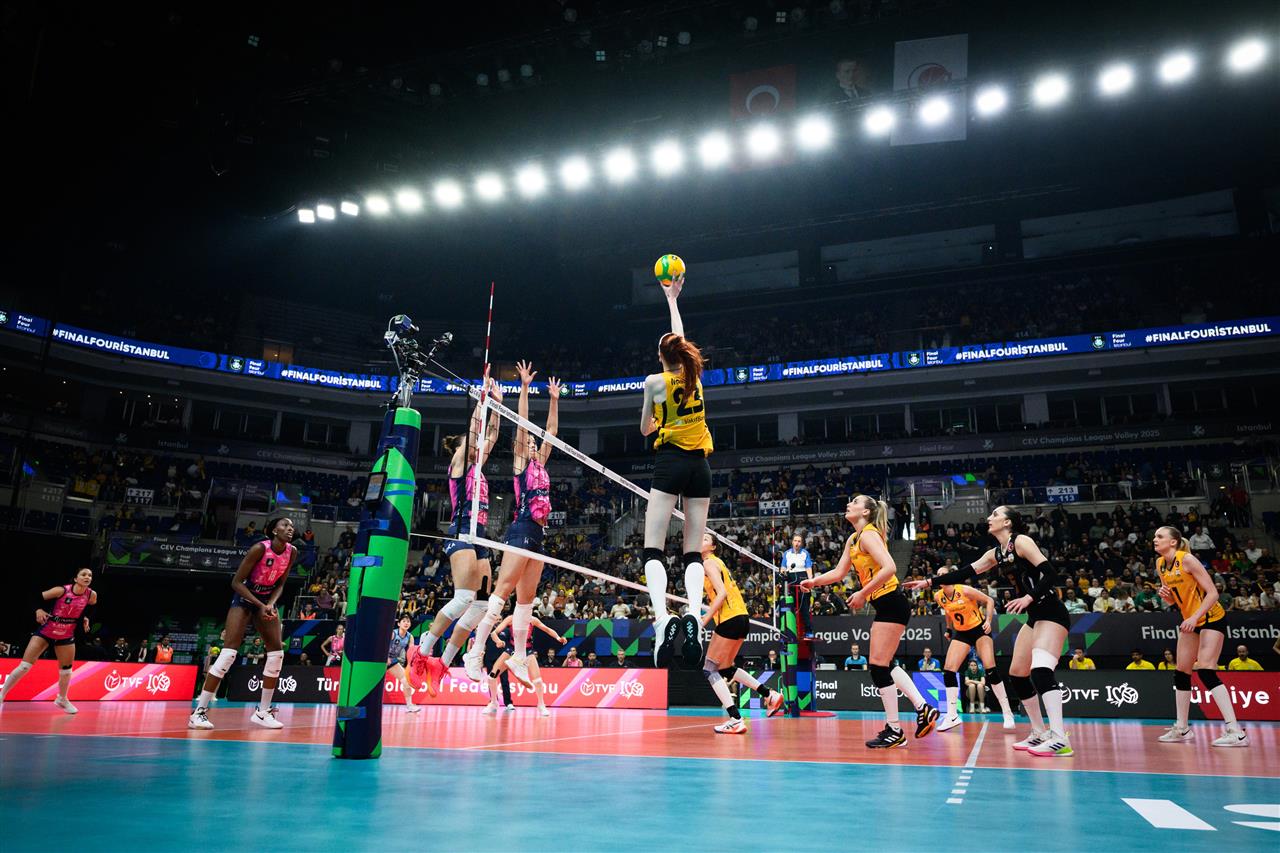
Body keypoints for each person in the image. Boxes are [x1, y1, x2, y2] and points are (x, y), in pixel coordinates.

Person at [906, 506, 1072, 757]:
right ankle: (1039, 732)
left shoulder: (1021, 542)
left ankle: (1059, 738)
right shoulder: (996, 553)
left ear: (1007, 522)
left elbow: (1050, 574)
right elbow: (963, 572)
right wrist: (929, 582)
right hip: (1035, 617)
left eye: (995, 515)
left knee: (1040, 671)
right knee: (1017, 674)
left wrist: (1028, 597)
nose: (989, 518)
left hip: (1051, 613)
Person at [802, 495, 939, 748]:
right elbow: (839, 572)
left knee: (878, 667)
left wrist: (863, 593)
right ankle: (922, 708)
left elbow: (890, 567)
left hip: (891, 602)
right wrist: (814, 582)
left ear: (865, 512)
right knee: (884, 664)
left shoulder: (868, 535)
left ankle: (895, 729)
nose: (848, 504)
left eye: (855, 502)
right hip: (886, 604)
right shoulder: (854, 539)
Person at [464, 362, 562, 693]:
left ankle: (519, 656)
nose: (533, 444)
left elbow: (551, 431)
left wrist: (554, 400)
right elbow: (523, 424)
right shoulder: (522, 462)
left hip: (538, 535)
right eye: (530, 442)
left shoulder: (541, 462)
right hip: (520, 530)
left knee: (526, 600)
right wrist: (524, 388)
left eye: (535, 443)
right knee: (502, 592)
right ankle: (476, 650)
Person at [639, 272, 713, 670]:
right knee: (692, 552)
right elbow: (679, 340)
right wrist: (673, 300)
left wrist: (656, 421)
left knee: (653, 548)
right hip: (700, 466)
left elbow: (644, 429)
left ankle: (661, 618)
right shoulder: (693, 375)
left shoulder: (653, 382)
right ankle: (694, 618)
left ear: (659, 357)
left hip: (669, 462)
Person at [417, 378, 504, 694]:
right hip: (462, 530)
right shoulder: (457, 463)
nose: (478, 445)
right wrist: (481, 401)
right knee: (464, 597)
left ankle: (443, 663)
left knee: (482, 604)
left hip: (480, 535)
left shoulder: (477, 467)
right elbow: (477, 431)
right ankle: (423, 651)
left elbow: (491, 435)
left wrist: (497, 405)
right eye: (471, 443)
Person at [188, 517, 296, 731]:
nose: (290, 529)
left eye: (292, 526)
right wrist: (260, 605)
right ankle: (198, 712)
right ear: (274, 531)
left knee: (277, 654)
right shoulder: (259, 549)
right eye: (285, 525)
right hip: (245, 598)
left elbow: (281, 584)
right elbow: (236, 583)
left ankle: (262, 712)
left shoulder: (292, 551)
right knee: (228, 653)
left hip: (266, 600)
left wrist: (270, 604)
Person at [1152, 527, 1247, 747]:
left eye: (1160, 536)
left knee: (1205, 669)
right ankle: (1182, 729)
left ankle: (1236, 732)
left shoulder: (1187, 559)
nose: (1155, 539)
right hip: (1190, 620)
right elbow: (1174, 600)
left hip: (1211, 617)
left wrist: (1195, 617)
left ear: (1173, 542)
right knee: (1181, 672)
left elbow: (1213, 593)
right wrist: (1166, 597)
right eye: (1155, 536)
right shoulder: (1160, 564)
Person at [698, 532, 784, 733]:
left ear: (713, 547)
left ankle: (735, 719)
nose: (700, 540)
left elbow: (722, 594)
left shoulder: (709, 563)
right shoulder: (717, 563)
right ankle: (769, 694)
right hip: (741, 617)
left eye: (705, 539)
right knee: (726, 668)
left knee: (709, 669)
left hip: (730, 618)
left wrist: (704, 620)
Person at [0, 568, 97, 713]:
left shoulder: (91, 595)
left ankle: (62, 699)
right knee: (24, 666)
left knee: (66, 671)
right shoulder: (61, 590)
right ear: (76, 579)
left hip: (66, 635)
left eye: (90, 575)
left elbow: (90, 608)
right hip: (46, 632)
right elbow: (34, 597)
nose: (87, 577)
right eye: (83, 574)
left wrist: (85, 617)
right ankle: (2, 695)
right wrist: (38, 610)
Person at [932, 575, 1015, 731]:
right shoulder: (938, 596)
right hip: (962, 633)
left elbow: (989, 600)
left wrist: (988, 621)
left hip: (979, 630)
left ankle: (1007, 711)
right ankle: (952, 715)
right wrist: (949, 629)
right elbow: (948, 612)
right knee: (949, 670)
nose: (939, 576)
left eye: (942, 574)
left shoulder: (964, 590)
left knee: (990, 669)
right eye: (938, 574)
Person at [781, 533, 814, 636]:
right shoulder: (786, 553)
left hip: (802, 580)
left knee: (804, 608)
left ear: (802, 543)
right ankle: (788, 630)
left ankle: (808, 631)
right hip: (790, 581)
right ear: (792, 542)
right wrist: (783, 574)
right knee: (789, 607)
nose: (797, 543)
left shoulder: (805, 553)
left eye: (799, 541)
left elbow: (808, 568)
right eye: (795, 541)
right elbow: (783, 568)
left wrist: (810, 581)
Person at [387, 616, 420, 713]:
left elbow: (411, 652)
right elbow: (382, 645)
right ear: (399, 624)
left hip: (393, 660)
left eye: (408, 621)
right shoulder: (393, 633)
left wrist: (412, 664)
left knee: (406, 680)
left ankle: (410, 706)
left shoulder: (410, 637)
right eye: (404, 621)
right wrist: (385, 657)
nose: (406, 623)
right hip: (381, 659)